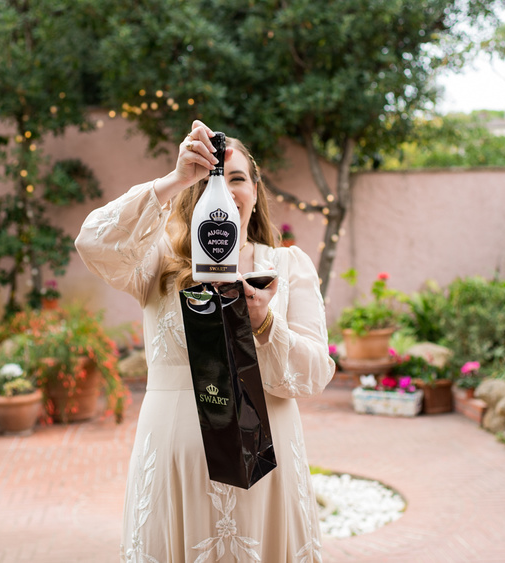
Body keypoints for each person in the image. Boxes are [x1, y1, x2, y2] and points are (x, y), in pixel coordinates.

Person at [76, 120, 335, 562]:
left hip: (265, 470)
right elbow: (94, 241)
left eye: (237, 178)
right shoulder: (155, 261)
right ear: (194, 198)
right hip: (176, 467)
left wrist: (265, 324)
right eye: (211, 179)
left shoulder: (288, 266)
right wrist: (175, 178)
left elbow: (313, 374)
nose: (229, 190)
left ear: (255, 191)